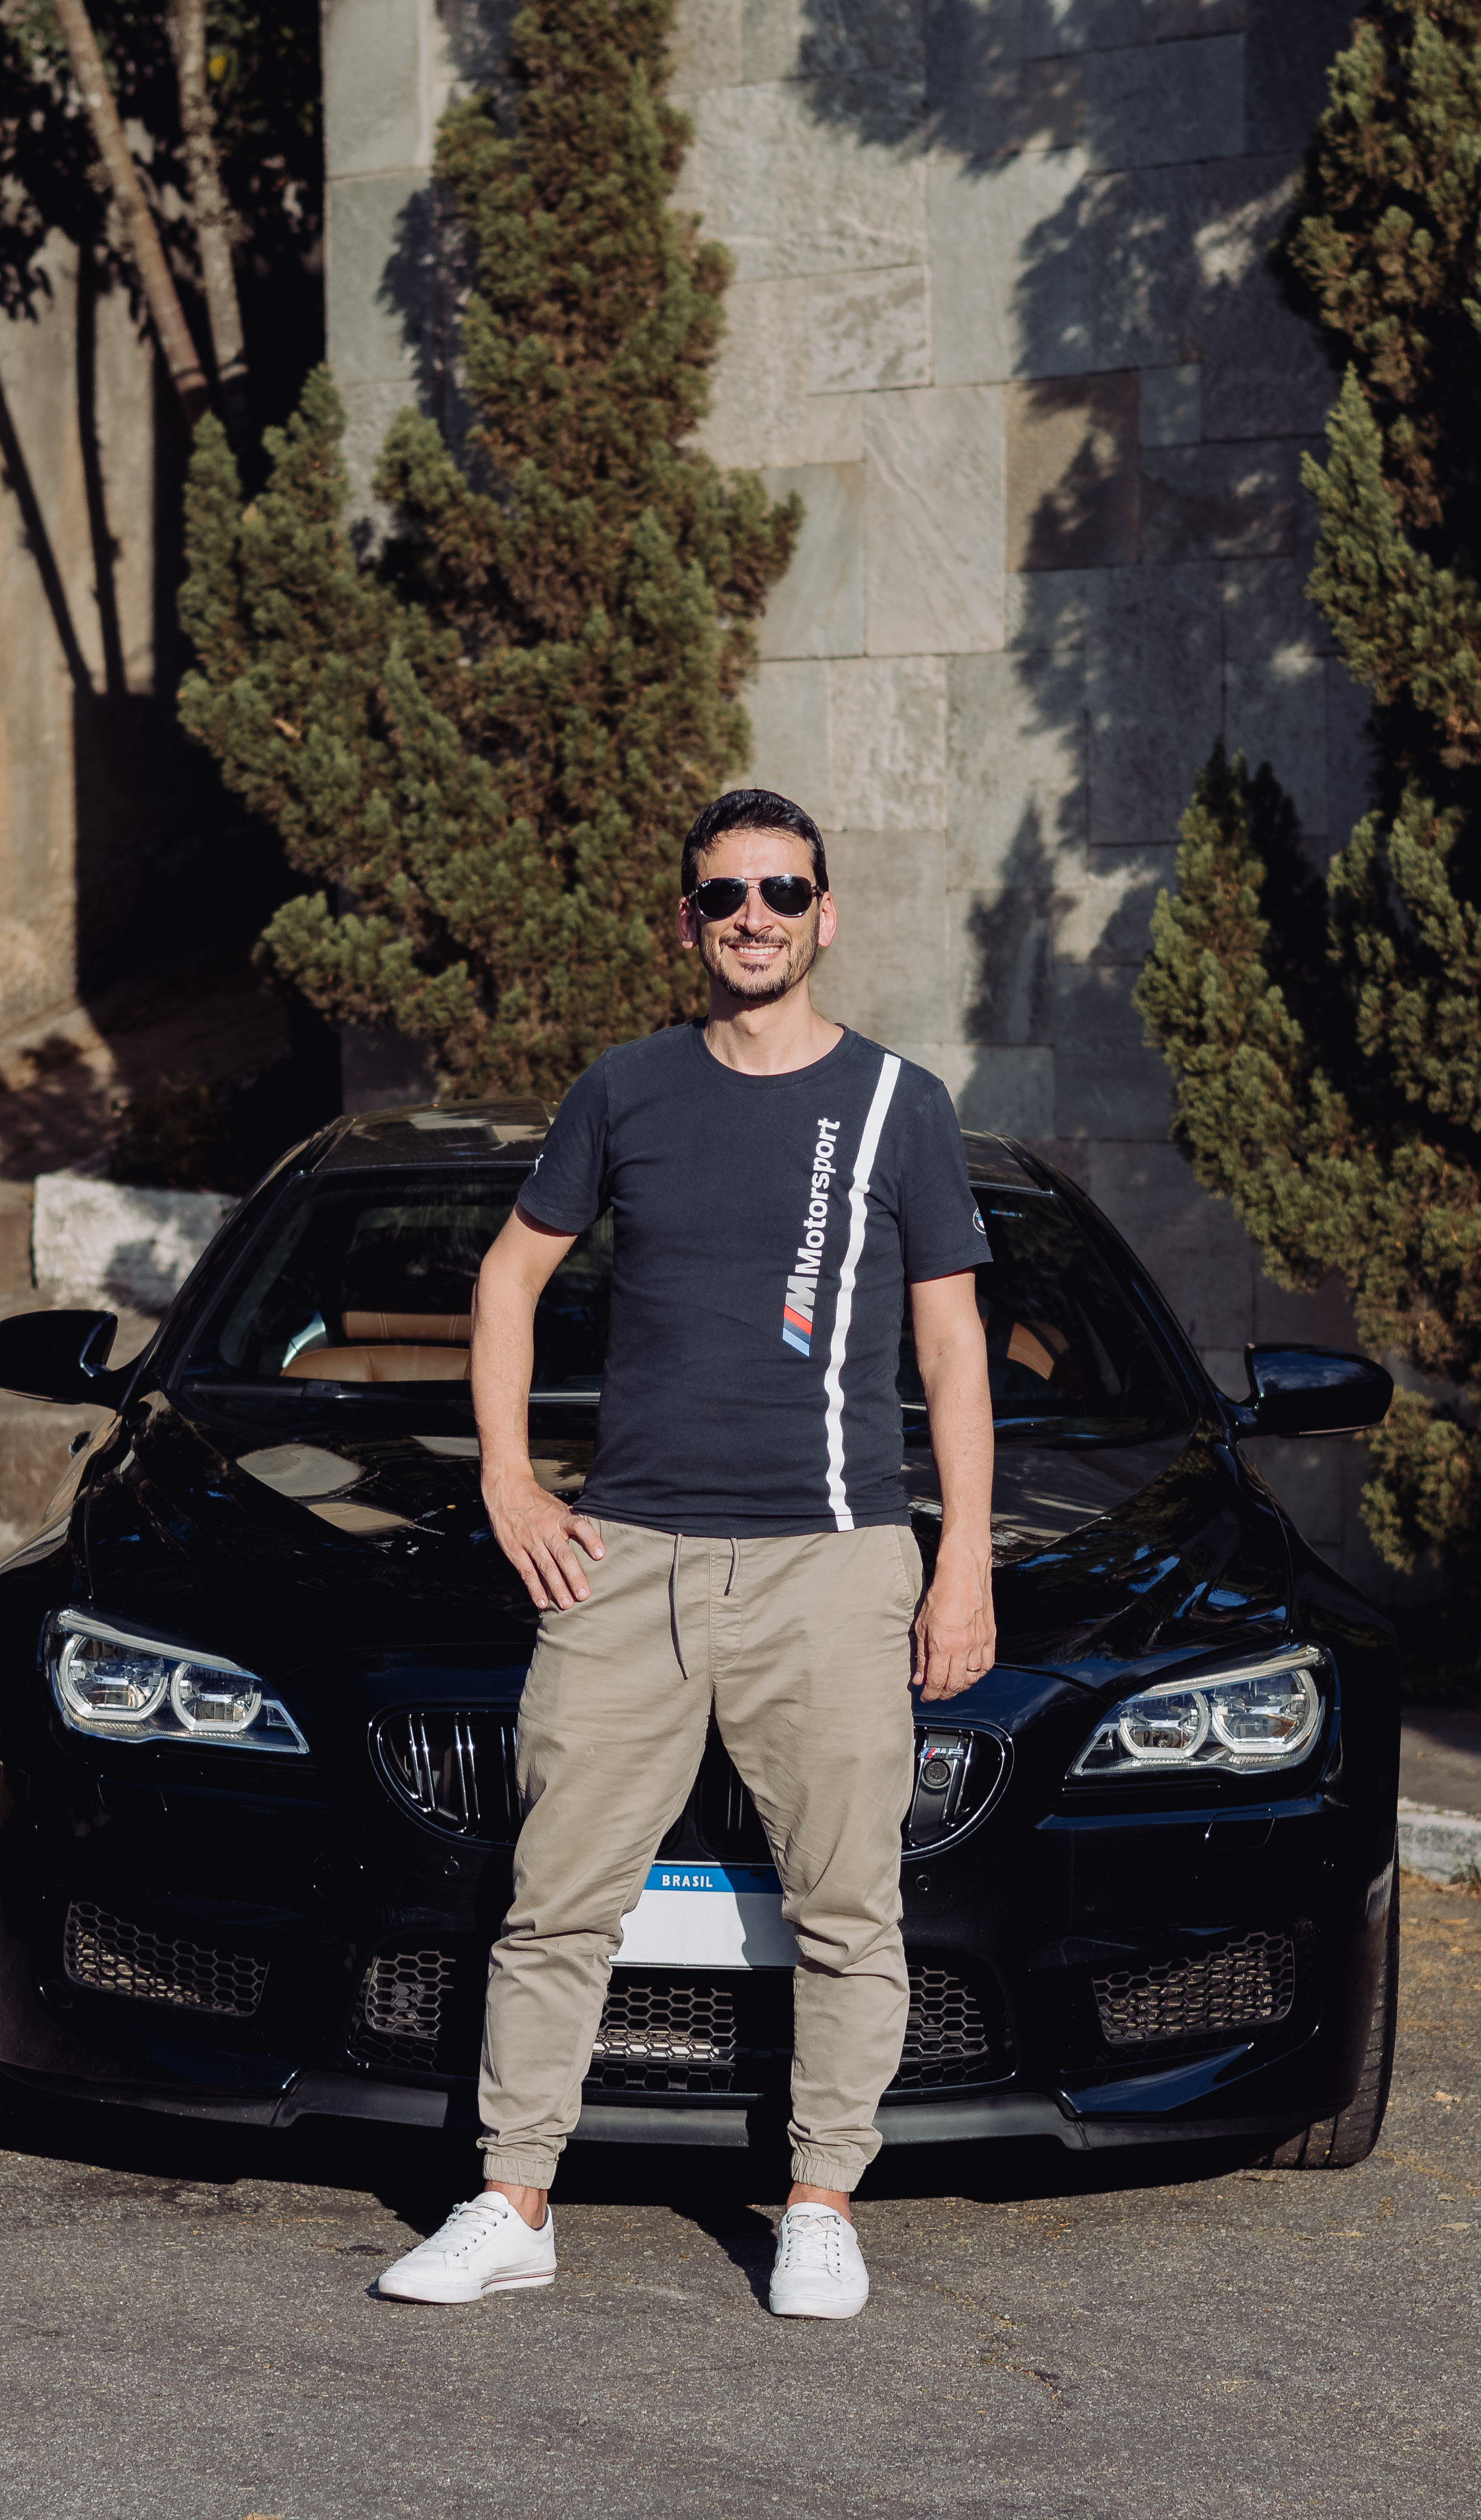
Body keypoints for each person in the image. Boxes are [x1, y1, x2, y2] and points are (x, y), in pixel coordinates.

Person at [378, 787, 997, 2318]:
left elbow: (950, 1345)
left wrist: (962, 1560)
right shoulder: (624, 1089)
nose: (754, 917)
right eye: (725, 895)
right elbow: (507, 1279)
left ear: (825, 914)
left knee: (847, 1909)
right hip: (627, 1561)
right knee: (555, 1900)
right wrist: (510, 1483)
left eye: (783, 891)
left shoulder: (898, 1103)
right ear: (687, 920)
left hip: (832, 1563)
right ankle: (513, 2199)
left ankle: (821, 2202)